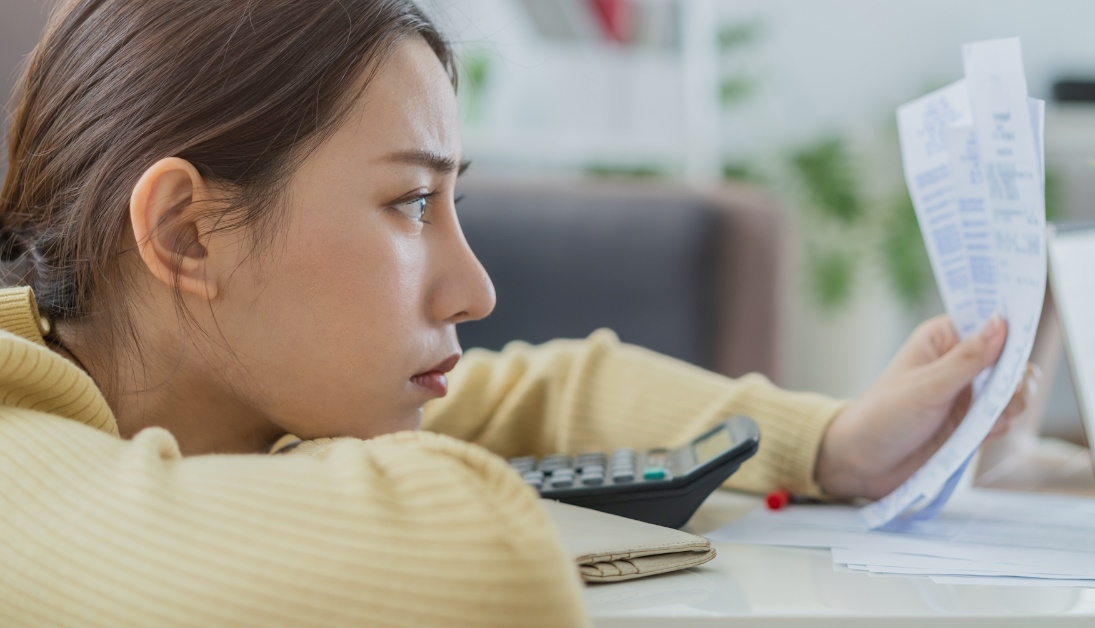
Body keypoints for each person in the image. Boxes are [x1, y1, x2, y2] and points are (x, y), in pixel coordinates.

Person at [0, 0, 1033, 625]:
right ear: (185, 232)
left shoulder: (206, 393)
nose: (477, 290)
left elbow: (552, 387)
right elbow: (487, 567)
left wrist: (834, 441)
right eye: (409, 203)